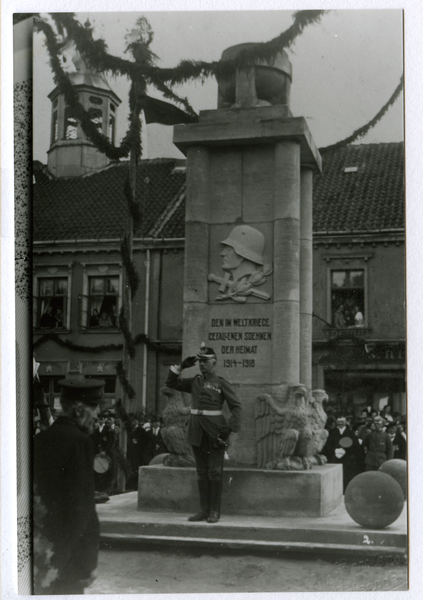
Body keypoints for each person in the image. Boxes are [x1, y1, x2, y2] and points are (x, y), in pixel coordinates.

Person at [33, 374, 105, 595]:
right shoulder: (80, 442)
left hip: (41, 555)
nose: (97, 413)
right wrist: (88, 563)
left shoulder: (40, 439)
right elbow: (82, 510)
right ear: (78, 409)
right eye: (93, 407)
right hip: (69, 560)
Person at [165, 343, 242, 523]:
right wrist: (182, 366)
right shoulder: (195, 382)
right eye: (200, 361)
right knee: (201, 472)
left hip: (215, 432)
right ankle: (203, 510)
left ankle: (214, 512)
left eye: (206, 361)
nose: (202, 364)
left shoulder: (221, 383)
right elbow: (171, 383)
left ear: (214, 362)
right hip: (196, 431)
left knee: (214, 472)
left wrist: (228, 430)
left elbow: (237, 408)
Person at [322, 416, 364, 492]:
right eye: (339, 421)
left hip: (347, 460)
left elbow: (356, 446)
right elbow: (327, 446)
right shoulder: (332, 432)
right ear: (336, 422)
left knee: (346, 477)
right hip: (334, 459)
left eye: (342, 421)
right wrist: (335, 450)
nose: (340, 423)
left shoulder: (351, 433)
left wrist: (346, 451)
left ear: (345, 422)